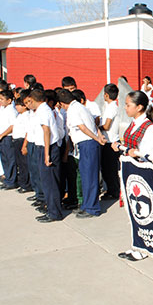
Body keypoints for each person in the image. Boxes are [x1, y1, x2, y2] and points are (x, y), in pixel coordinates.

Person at [112, 91, 153, 261]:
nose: (125, 107)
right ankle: (137, 244)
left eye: (128, 105)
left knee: (143, 212)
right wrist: (120, 146)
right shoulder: (133, 123)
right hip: (131, 173)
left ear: (139, 107)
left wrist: (138, 153)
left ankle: (143, 248)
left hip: (143, 175)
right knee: (133, 211)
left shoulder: (148, 127)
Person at [58, 89, 106, 218]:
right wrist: (98, 136)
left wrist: (97, 138)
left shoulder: (73, 110)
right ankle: (86, 205)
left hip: (88, 144)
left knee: (89, 177)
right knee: (86, 177)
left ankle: (92, 208)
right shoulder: (80, 107)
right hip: (86, 144)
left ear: (62, 103)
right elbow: (93, 125)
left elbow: (83, 127)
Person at [27, 89, 65, 223]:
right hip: (43, 147)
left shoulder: (44, 111)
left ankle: (54, 212)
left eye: (29, 101)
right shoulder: (43, 110)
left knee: (50, 182)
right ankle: (51, 208)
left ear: (35, 99)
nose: (28, 104)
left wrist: (47, 154)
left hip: (47, 148)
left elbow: (46, 132)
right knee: (46, 181)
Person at [99, 83, 121, 200]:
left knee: (109, 169)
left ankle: (114, 191)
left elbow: (106, 126)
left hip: (110, 142)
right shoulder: (113, 107)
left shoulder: (111, 108)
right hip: (112, 141)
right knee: (109, 169)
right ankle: (112, 190)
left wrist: (97, 127)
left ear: (106, 95)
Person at [0, 89, 19, 190]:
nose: (0, 101)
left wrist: (2, 135)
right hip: (1, 137)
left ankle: (12, 180)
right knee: (4, 158)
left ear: (9, 100)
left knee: (10, 159)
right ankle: (8, 178)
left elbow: (13, 126)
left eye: (2, 99)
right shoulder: (3, 108)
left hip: (8, 137)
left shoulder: (12, 110)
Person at [11, 96, 32, 193]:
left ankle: (27, 184)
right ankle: (23, 182)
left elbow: (28, 131)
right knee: (20, 163)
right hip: (17, 140)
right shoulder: (20, 115)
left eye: (18, 105)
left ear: (24, 106)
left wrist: (24, 145)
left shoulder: (27, 116)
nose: (16, 107)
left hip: (22, 141)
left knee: (24, 164)